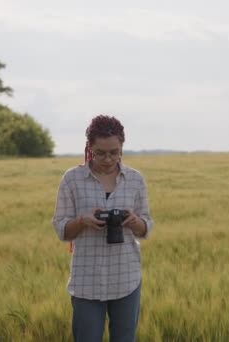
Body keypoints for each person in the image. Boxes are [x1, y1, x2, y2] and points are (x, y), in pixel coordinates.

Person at [52, 115, 153, 342]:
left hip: (126, 278)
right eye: (100, 153)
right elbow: (61, 230)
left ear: (122, 149)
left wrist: (134, 221)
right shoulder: (72, 179)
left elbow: (146, 226)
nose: (108, 159)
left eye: (114, 152)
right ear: (89, 148)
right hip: (86, 281)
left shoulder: (135, 180)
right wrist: (82, 221)